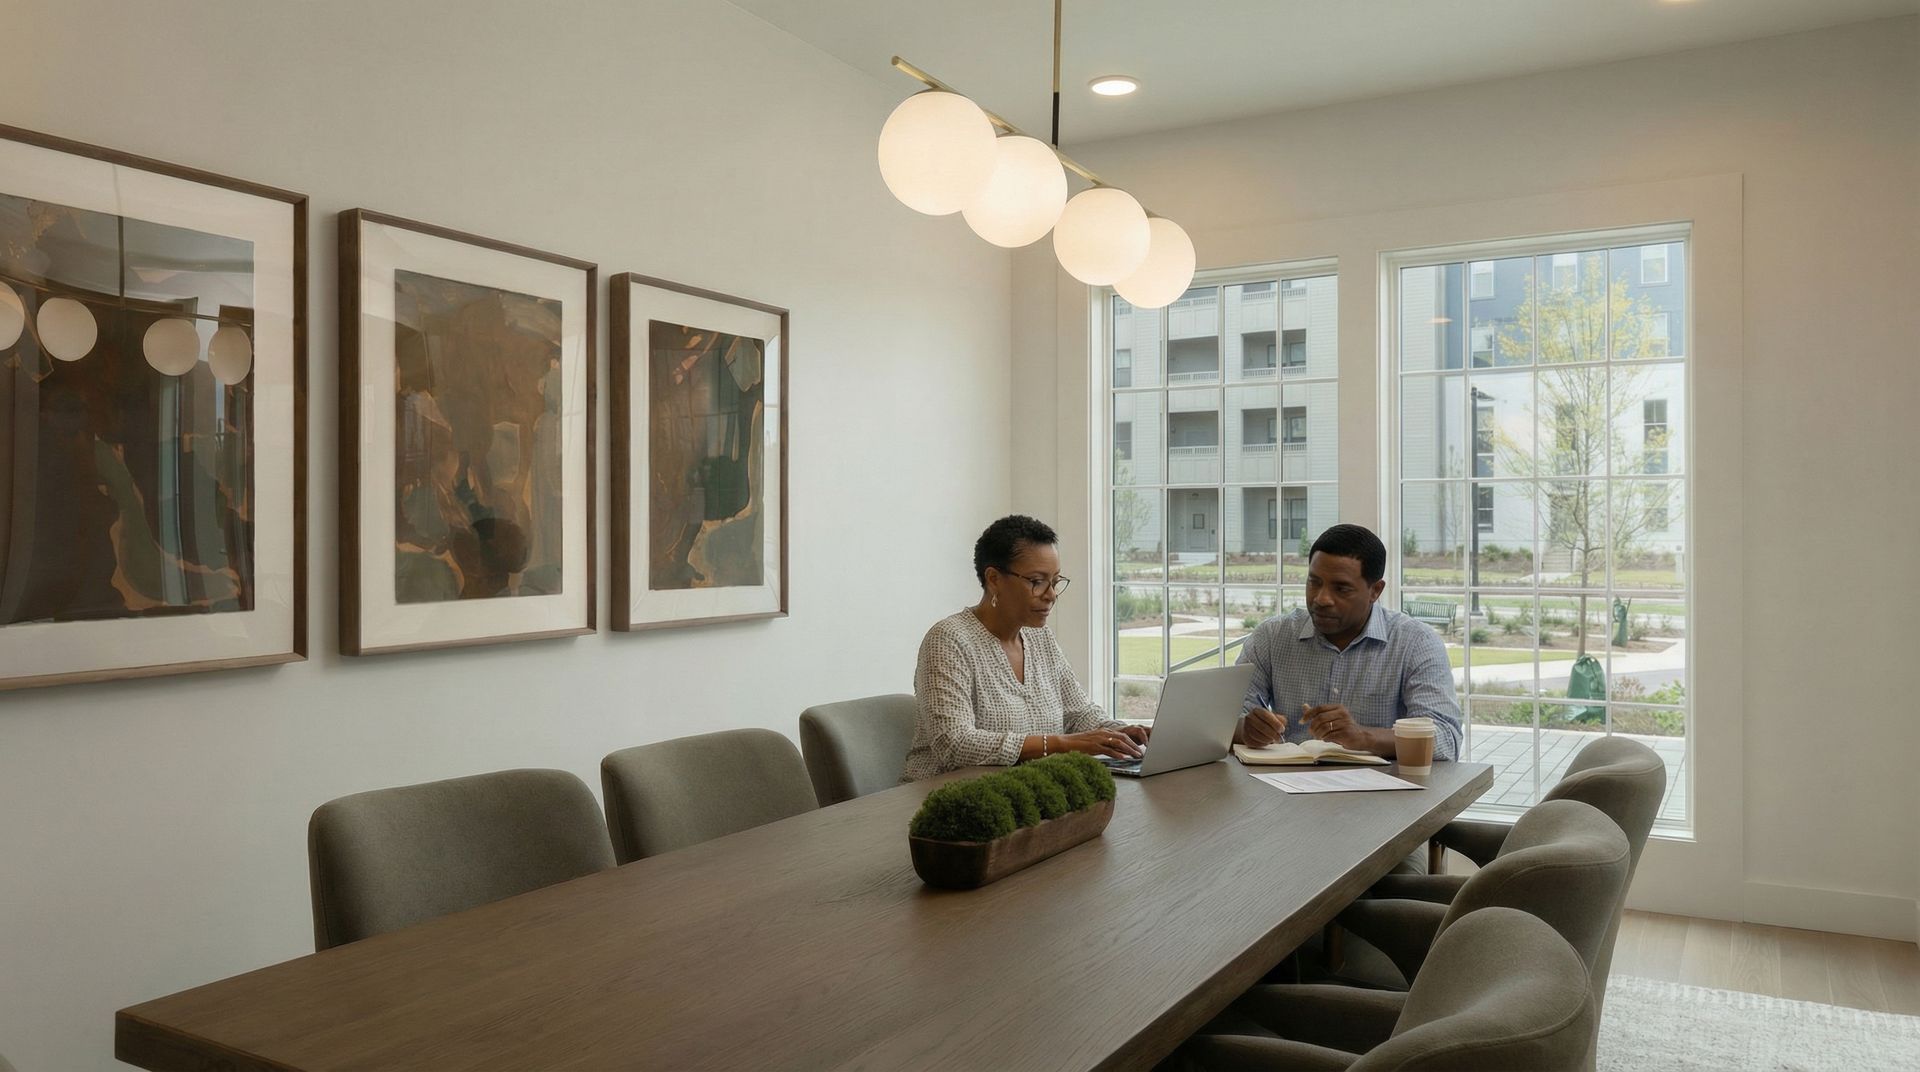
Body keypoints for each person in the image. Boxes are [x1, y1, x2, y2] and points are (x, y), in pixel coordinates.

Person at [903, 514, 1150, 781]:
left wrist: (1123, 733)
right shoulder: (948, 640)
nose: (1051, 595)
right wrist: (1062, 744)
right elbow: (954, 743)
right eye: (1036, 581)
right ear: (994, 578)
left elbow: (1079, 715)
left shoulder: (1040, 639)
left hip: (1022, 796)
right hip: (941, 801)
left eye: (1054, 582)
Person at [1234, 523, 1463, 762]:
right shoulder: (1272, 636)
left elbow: (1447, 740)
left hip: (1383, 792)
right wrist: (1246, 730)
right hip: (1282, 787)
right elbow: (1219, 724)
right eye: (1314, 582)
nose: (1321, 599)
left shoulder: (1416, 643)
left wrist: (1365, 738)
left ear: (1375, 590)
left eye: (1341, 588)